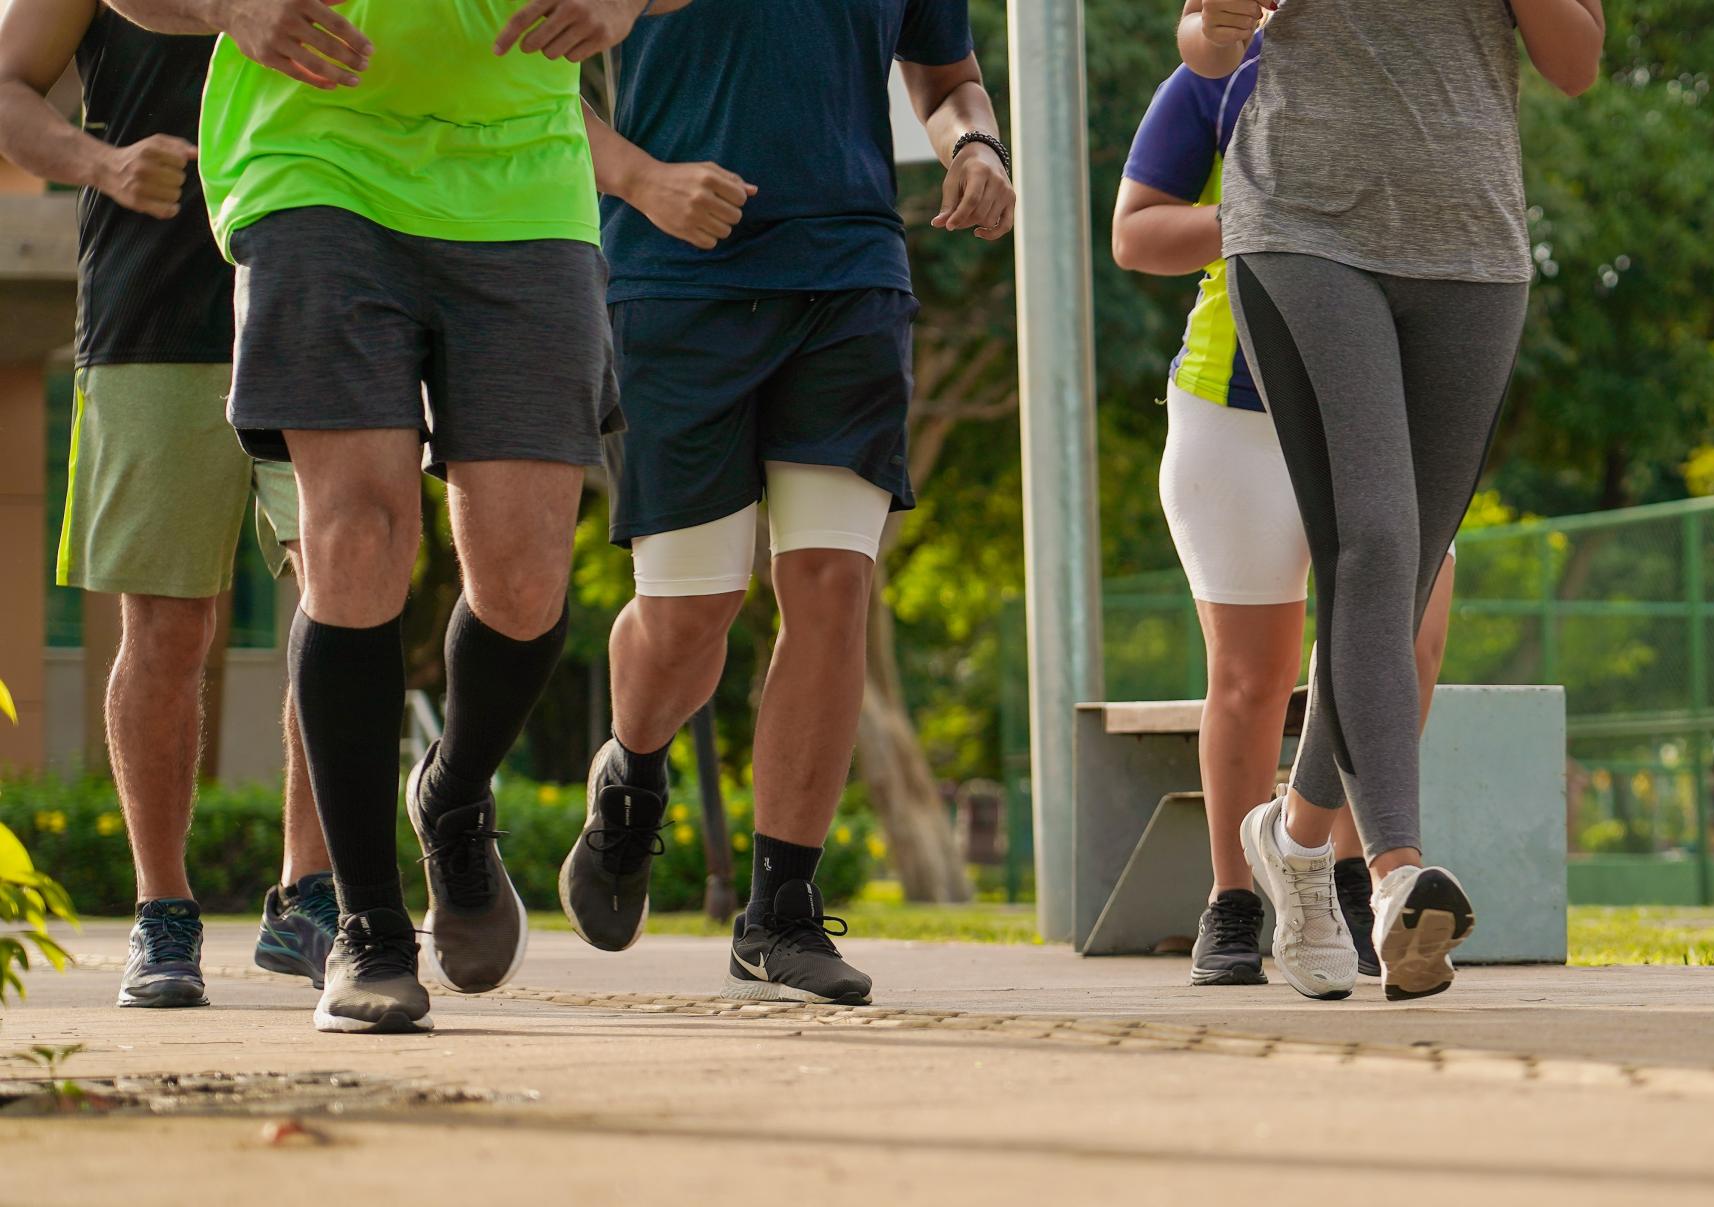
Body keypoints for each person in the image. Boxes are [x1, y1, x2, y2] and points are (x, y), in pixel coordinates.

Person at [107, 0, 668, 1033]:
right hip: (312, 167)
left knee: (526, 575)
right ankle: (367, 925)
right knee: (355, 537)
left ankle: (451, 797)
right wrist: (232, 8)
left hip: (525, 188)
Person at [568, 0, 1014, 1004]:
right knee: (691, 615)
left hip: (849, 278)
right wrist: (643, 181)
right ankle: (635, 769)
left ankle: (782, 908)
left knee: (831, 587)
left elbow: (946, 78)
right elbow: (524, 84)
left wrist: (975, 144)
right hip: (676, 284)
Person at [1182, 0, 1602, 1001]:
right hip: (1302, 227)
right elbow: (1201, 40)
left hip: (1473, 246)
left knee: (1403, 573)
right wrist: (1222, 22)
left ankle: (1290, 839)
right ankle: (1393, 871)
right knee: (1373, 536)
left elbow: (1576, 61)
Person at [0, 0, 338, 1010]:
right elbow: (6, 86)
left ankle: (312, 894)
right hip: (149, 313)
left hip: (327, 304)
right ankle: (164, 911)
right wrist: (98, 164)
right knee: (167, 625)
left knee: (345, 598)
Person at [1112, 26, 1459, 993]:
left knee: (1411, 634)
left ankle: (1343, 869)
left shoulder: (1422, 64)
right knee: (1252, 678)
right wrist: (1267, 219)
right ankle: (1234, 900)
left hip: (1384, 404)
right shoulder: (1219, 73)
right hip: (1237, 409)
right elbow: (1135, 232)